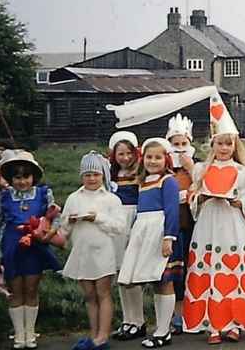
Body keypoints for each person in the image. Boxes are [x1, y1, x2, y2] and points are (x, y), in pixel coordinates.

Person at [183, 102, 245, 343]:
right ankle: (212, 325)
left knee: (232, 270)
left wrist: (241, 203)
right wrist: (200, 197)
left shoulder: (242, 172)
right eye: (220, 143)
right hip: (208, 224)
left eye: (229, 144)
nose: (224, 148)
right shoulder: (200, 170)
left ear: (235, 145)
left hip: (231, 224)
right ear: (212, 144)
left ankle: (235, 323)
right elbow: (191, 196)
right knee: (208, 269)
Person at [0, 150, 61, 349]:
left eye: (26, 177)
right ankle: (19, 333)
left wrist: (49, 231)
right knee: (15, 290)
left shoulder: (43, 193)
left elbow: (55, 216)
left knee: (31, 288)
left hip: (34, 246)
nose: (22, 182)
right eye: (17, 177)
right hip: (11, 246)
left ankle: (30, 332)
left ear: (33, 177)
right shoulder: (2, 196)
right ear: (11, 178)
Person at [117, 138, 181, 348]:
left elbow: (172, 210)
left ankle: (164, 330)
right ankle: (159, 329)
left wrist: (168, 237)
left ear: (166, 159)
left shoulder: (168, 181)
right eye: (149, 157)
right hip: (144, 232)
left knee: (164, 280)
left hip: (161, 232)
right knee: (155, 281)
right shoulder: (143, 182)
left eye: (158, 157)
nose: (153, 161)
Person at [61, 151, 126, 350]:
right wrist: (69, 220)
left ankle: (103, 336)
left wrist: (96, 218)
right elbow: (64, 229)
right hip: (82, 253)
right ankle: (93, 333)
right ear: (82, 176)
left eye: (96, 174)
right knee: (89, 295)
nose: (91, 178)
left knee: (103, 293)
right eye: (87, 175)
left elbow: (119, 226)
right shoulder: (74, 197)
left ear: (103, 176)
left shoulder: (110, 199)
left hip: (103, 253)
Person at [108, 131, 147, 341]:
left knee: (132, 274)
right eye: (120, 154)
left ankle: (138, 320)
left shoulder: (140, 173)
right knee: (120, 273)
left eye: (128, 153)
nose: (125, 158)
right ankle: (127, 319)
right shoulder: (112, 175)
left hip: (134, 219)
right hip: (116, 223)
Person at [165, 113, 197, 334]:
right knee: (174, 271)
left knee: (191, 268)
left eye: (183, 143)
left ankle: (193, 313)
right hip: (172, 227)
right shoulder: (166, 170)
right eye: (175, 144)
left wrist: (192, 169)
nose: (179, 148)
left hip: (193, 224)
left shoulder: (195, 167)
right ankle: (174, 315)